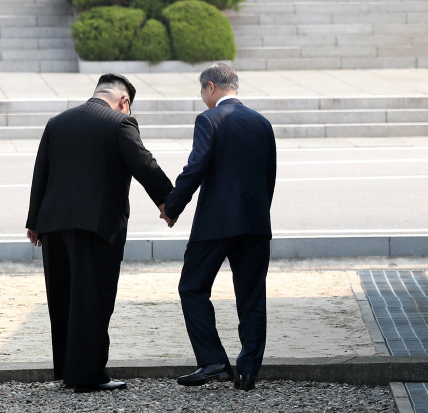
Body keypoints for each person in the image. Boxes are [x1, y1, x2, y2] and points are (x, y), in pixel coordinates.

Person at [26, 74, 173, 393]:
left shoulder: (58, 122)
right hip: (97, 225)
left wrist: (33, 221)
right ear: (124, 101)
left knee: (63, 298)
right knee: (93, 297)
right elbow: (144, 164)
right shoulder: (120, 123)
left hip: (53, 224)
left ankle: (69, 371)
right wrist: (168, 202)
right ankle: (89, 374)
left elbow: (42, 170)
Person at [161, 63, 276, 391]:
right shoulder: (262, 122)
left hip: (216, 224)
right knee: (252, 296)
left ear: (211, 87)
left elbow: (195, 167)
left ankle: (213, 360)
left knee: (192, 287)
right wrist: (258, 214)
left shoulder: (209, 119)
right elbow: (269, 175)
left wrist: (172, 206)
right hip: (255, 223)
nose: (202, 98)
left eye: (201, 91)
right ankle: (249, 371)